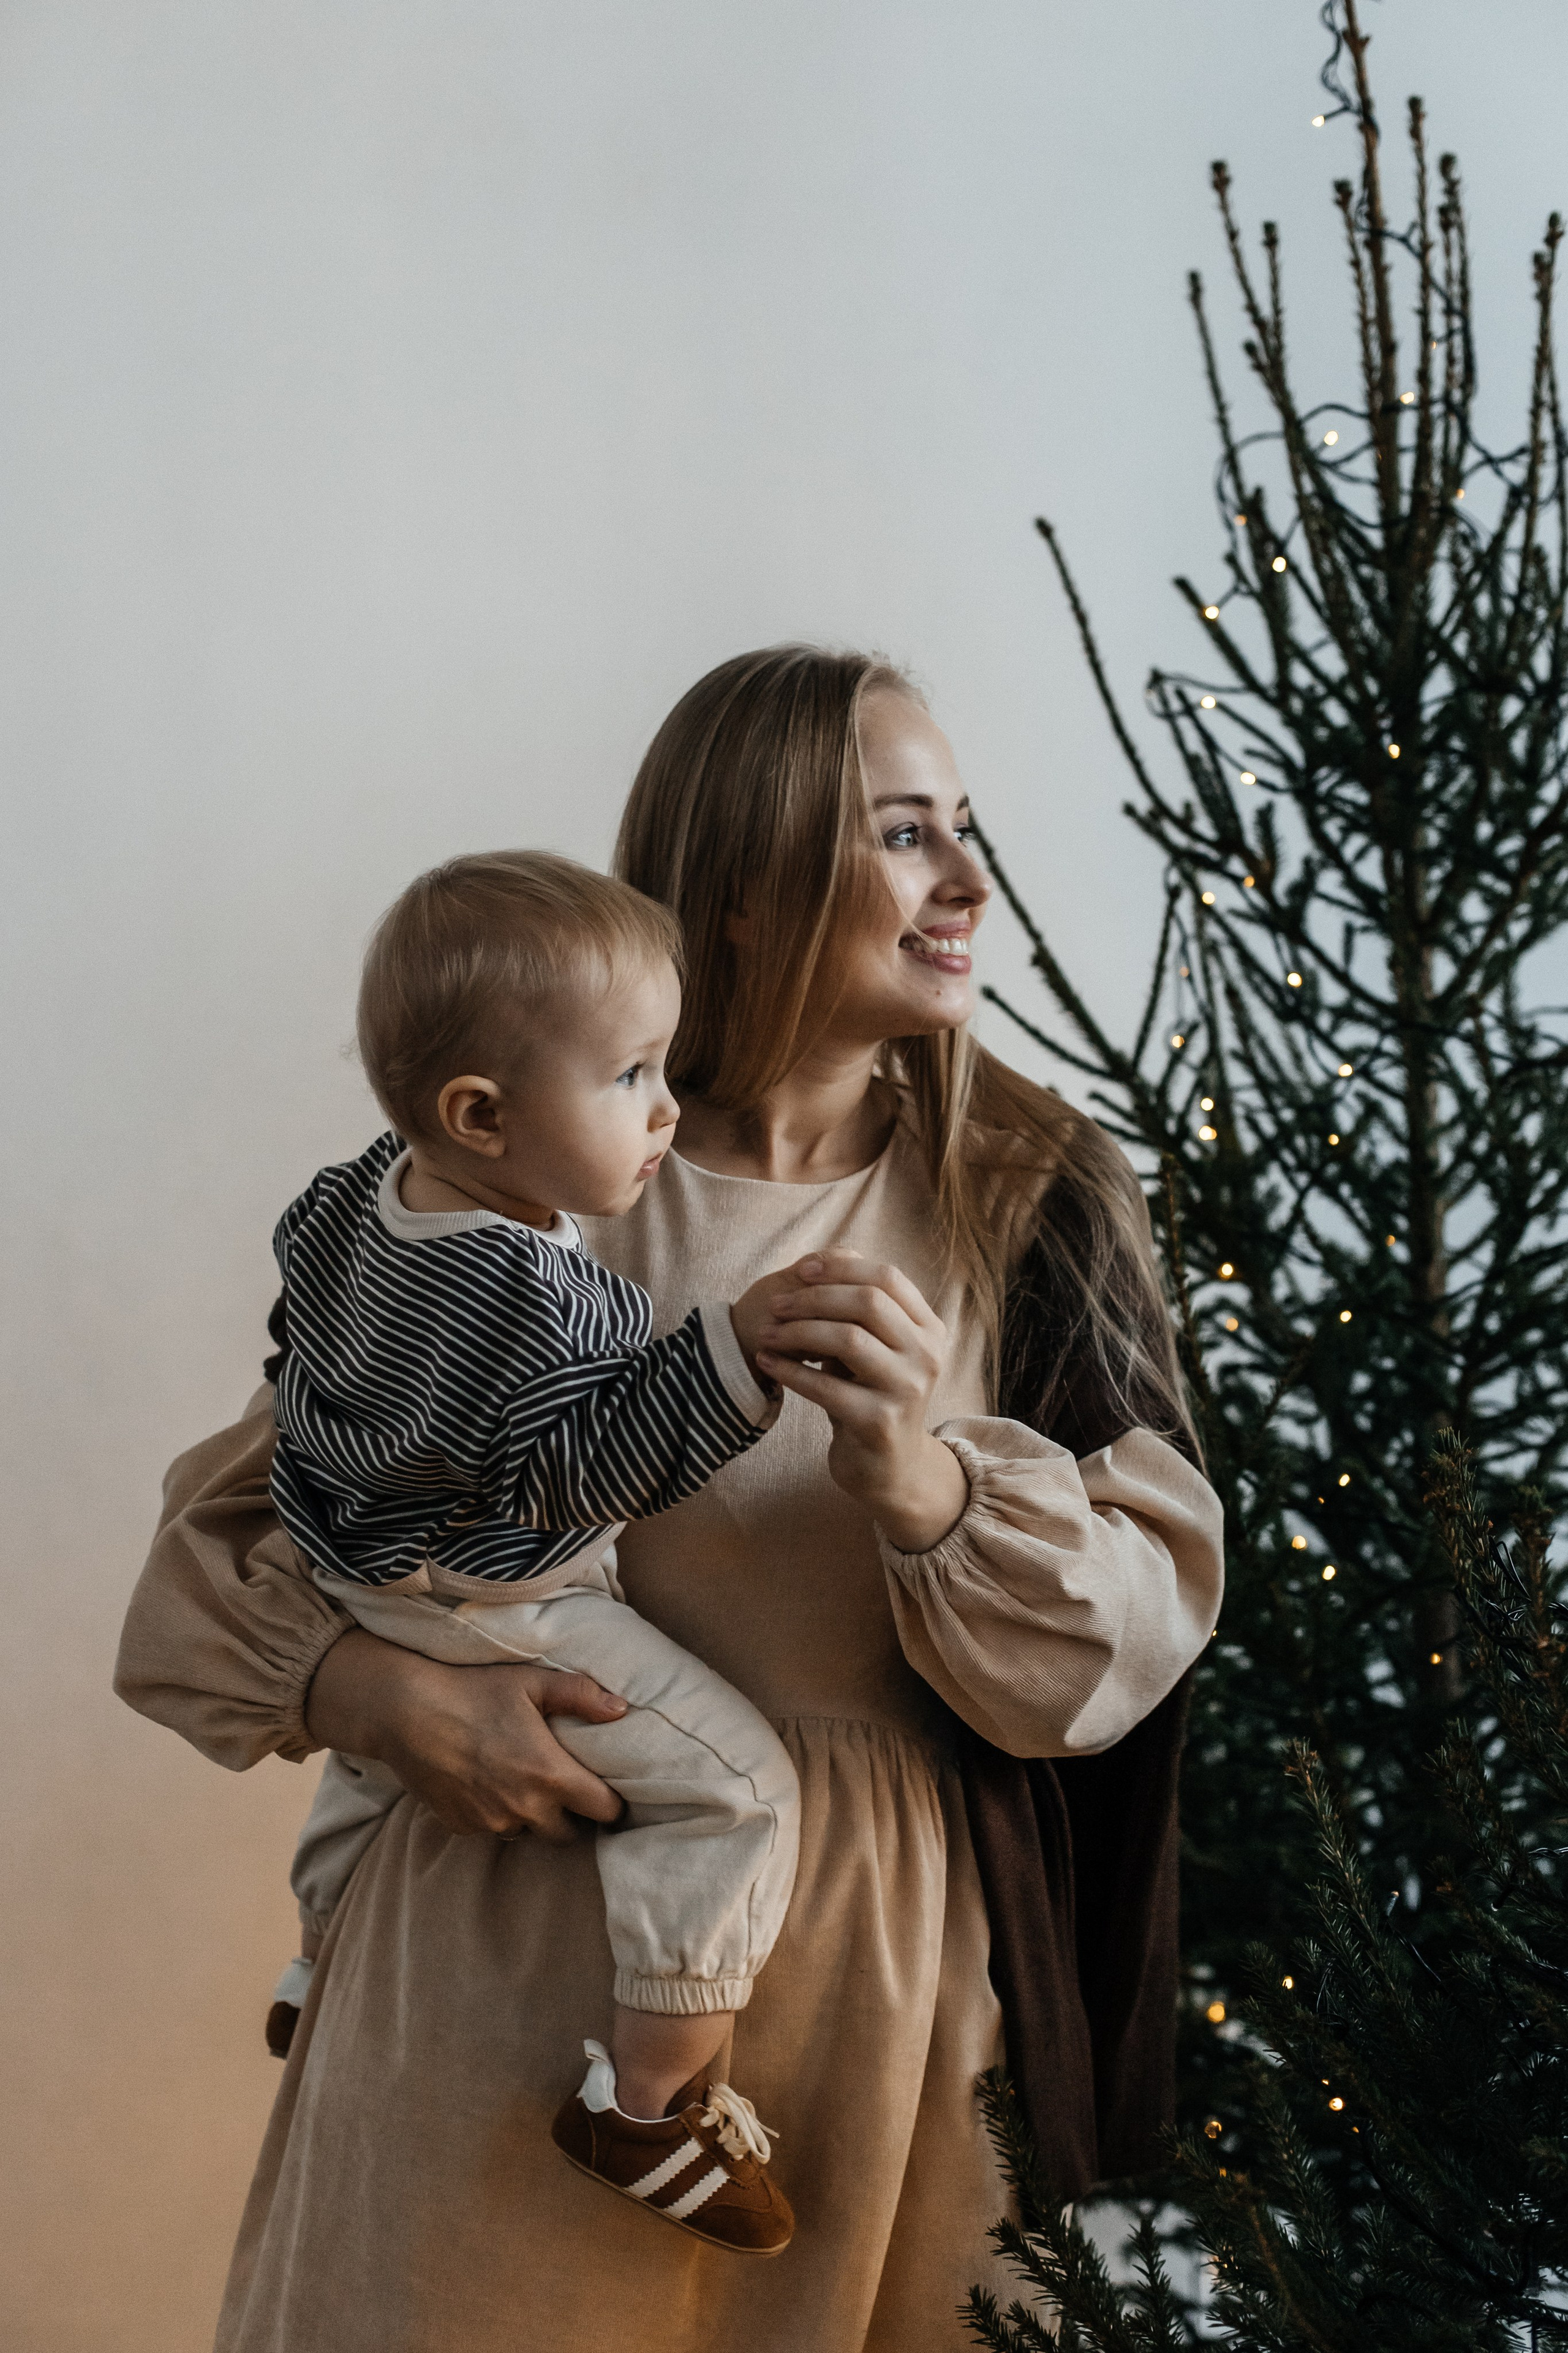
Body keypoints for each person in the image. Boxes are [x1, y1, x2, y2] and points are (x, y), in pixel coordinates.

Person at [116, 646, 1225, 2353]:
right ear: (753, 887)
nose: (970, 880)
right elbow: (242, 1546)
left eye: (967, 826)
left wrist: (924, 1489)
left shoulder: (1026, 1191)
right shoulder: (541, 1174)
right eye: (906, 832)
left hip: (887, 2009)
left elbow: (1132, 1642)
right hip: (493, 1979)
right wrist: (378, 1695)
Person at [265, 847, 809, 2254]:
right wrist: (730, 1357)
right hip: (495, 1591)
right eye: (630, 1075)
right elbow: (590, 1464)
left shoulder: (353, 1192)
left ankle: (313, 1963)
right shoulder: (537, 1296)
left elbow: (294, 1325)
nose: (666, 1108)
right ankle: (645, 2106)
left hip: (349, 1557)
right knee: (740, 1786)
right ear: (480, 1115)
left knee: (374, 1757)